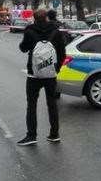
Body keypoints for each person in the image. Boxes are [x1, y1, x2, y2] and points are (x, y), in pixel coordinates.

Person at [17, 9, 66, 146]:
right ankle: (54, 134)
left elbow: (23, 48)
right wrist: (57, 68)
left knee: (31, 105)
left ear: (34, 18)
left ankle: (31, 135)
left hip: (34, 73)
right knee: (52, 104)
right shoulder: (56, 31)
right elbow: (62, 52)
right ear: (47, 18)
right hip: (50, 74)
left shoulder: (29, 30)